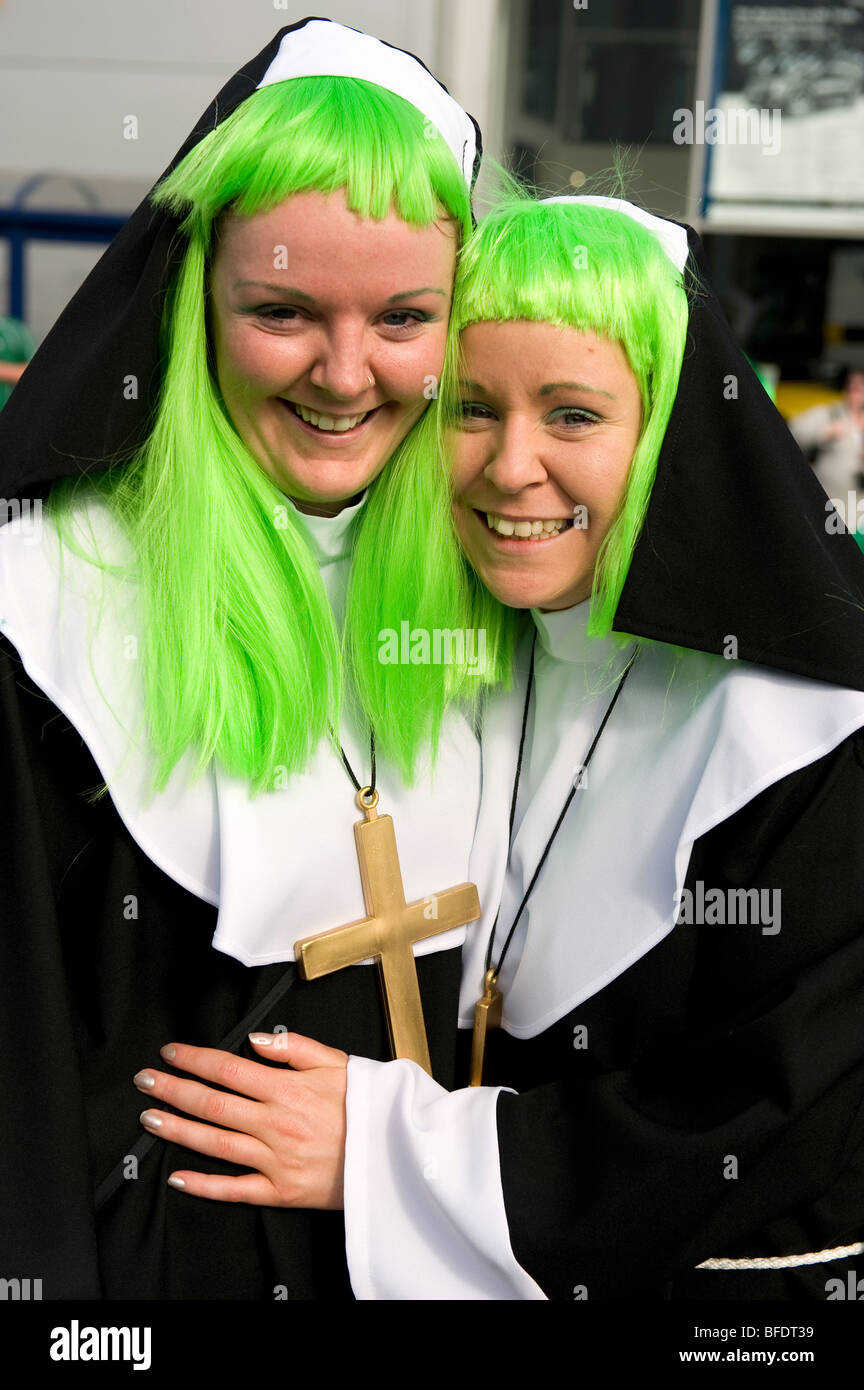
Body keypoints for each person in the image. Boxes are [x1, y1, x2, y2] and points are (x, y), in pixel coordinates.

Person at [203, 188, 864, 1301]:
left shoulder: (815, 732)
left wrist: (388, 1150)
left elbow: (765, 1118)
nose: (512, 469)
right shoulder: (490, 657)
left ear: (671, 431)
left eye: (572, 415)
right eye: (471, 408)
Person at [0, 19, 492, 1300]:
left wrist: (411, 1164)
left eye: (403, 317)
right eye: (281, 311)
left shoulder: (506, 583)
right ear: (192, 304)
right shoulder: (44, 602)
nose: (345, 375)